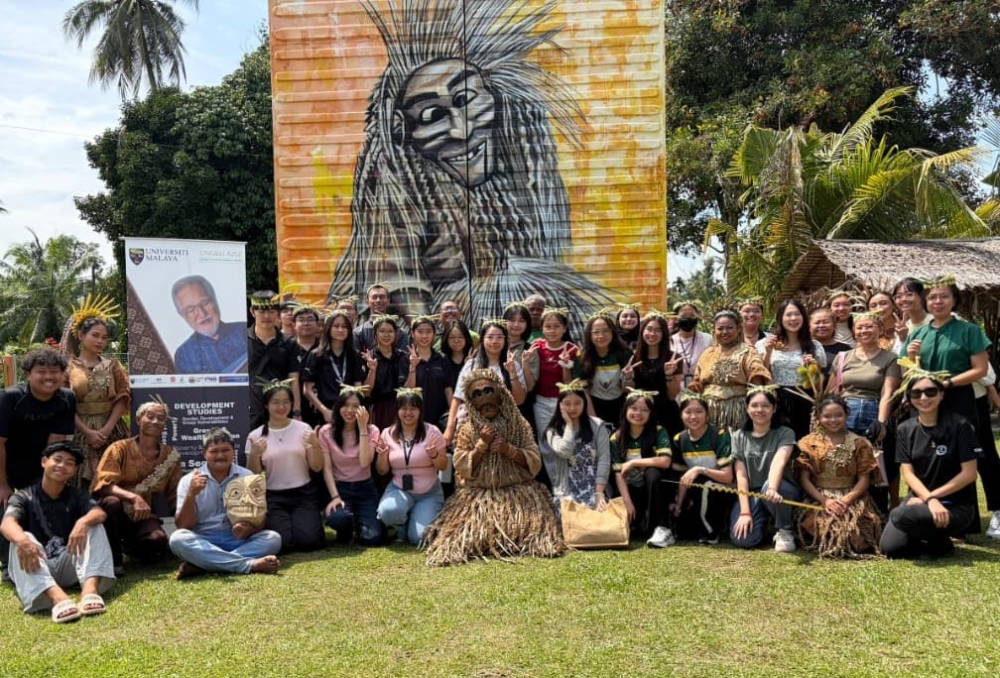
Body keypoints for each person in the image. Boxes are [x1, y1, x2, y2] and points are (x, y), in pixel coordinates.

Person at [423, 369, 564, 565]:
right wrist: (481, 445)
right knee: (467, 540)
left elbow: (534, 461)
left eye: (488, 391)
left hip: (518, 493)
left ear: (500, 393)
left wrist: (509, 450)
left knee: (531, 536)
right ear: (471, 402)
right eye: (477, 394)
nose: (484, 397)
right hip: (479, 496)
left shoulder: (519, 424)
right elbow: (461, 465)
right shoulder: (467, 429)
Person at [903, 276, 999, 534]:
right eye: (932, 297)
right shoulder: (919, 331)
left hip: (957, 398)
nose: (937, 301)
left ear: (954, 299)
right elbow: (909, 369)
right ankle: (925, 510)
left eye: (944, 296)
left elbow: (979, 369)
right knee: (928, 456)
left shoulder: (968, 330)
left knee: (963, 456)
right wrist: (912, 355)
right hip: (926, 400)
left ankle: (964, 519)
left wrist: (948, 384)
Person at [2, 442, 114, 622]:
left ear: (74, 470)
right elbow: (7, 524)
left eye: (69, 463)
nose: (62, 465)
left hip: (67, 562)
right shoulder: (24, 496)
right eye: (57, 460)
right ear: (44, 462)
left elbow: (99, 513)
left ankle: (89, 592)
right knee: (22, 537)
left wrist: (83, 522)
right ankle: (57, 598)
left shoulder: (77, 495)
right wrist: (22, 540)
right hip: (35, 565)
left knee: (94, 524)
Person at [879, 374, 979, 559]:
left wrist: (932, 498)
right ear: (910, 398)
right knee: (890, 548)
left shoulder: (960, 425)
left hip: (955, 505)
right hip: (919, 502)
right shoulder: (905, 429)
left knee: (900, 515)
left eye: (930, 391)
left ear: (941, 394)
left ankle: (938, 539)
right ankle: (936, 542)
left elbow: (970, 474)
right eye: (916, 394)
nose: (923, 398)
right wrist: (928, 499)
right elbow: (908, 474)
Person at [169, 428, 282, 577]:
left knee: (273, 538)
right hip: (204, 541)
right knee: (178, 539)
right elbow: (184, 525)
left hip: (238, 540)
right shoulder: (189, 481)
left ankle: (204, 565)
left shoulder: (246, 476)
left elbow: (261, 520)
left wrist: (249, 528)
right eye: (214, 451)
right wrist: (191, 494)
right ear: (204, 454)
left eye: (225, 450)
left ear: (233, 452)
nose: (220, 455)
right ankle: (248, 565)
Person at [91, 401, 181, 573]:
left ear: (164, 425)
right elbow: (103, 485)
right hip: (114, 514)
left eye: (161, 418)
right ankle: (114, 561)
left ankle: (131, 547)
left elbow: (175, 495)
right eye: (150, 416)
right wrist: (134, 497)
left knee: (157, 540)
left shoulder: (170, 456)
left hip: (142, 515)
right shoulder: (119, 449)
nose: (155, 421)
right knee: (111, 502)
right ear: (139, 420)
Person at [795, 395, 882, 558]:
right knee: (824, 528)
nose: (833, 420)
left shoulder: (860, 443)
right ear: (818, 417)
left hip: (851, 497)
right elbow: (804, 479)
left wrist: (845, 501)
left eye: (838, 415)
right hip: (820, 497)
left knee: (855, 536)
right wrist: (824, 501)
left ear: (847, 415)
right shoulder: (808, 443)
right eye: (827, 416)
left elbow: (864, 479)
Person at [834, 311, 902, 511]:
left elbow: (888, 391)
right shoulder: (843, 357)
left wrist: (880, 422)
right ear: (853, 331)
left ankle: (883, 509)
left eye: (869, 326)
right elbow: (834, 390)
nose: (864, 330)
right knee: (847, 462)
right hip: (845, 414)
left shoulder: (890, 358)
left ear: (880, 329)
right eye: (860, 327)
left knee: (878, 464)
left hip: (874, 410)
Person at [246, 382, 325, 552]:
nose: (281, 407)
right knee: (282, 543)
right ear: (266, 405)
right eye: (275, 402)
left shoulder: (304, 429)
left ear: (292, 404)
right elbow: (254, 474)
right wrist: (254, 454)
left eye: (286, 402)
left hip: (304, 493)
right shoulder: (255, 435)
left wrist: (315, 445)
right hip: (274, 496)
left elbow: (317, 467)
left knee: (309, 541)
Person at [60, 300, 130, 486]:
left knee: (114, 478)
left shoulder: (113, 365)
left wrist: (106, 430)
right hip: (79, 430)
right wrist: (88, 432)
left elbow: (122, 398)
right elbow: (66, 405)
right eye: (95, 335)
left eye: (104, 337)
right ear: (81, 336)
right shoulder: (67, 368)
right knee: (79, 480)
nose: (100, 341)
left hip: (112, 429)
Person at [0, 348, 76, 507]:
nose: (48, 377)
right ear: (29, 374)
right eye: (41, 372)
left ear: (62, 374)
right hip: (4, 465)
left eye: (54, 372)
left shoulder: (67, 399)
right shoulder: (9, 398)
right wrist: (2, 485)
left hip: (36, 467)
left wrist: (48, 483)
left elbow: (55, 444)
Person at [729, 386, 801, 552]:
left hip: (781, 490)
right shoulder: (738, 436)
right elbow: (741, 476)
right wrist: (745, 513)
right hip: (753, 493)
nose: (759, 410)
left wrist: (773, 489)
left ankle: (784, 529)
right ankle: (766, 528)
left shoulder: (785, 433)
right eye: (754, 405)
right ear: (747, 408)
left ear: (774, 408)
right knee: (743, 540)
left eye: (766, 406)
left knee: (769, 487)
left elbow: (779, 461)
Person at [375, 389, 448, 545]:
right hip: (399, 489)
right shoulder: (387, 433)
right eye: (404, 408)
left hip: (428, 493)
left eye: (413, 408)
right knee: (387, 512)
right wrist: (382, 455)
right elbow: (382, 470)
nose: (408, 412)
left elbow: (443, 466)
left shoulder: (432, 431)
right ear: (397, 410)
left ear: (420, 411)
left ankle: (417, 523)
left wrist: (434, 454)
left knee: (419, 539)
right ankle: (402, 528)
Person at [443, 321, 527, 444]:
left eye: (499, 337)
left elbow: (519, 400)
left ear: (505, 341)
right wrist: (449, 429)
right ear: (482, 340)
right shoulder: (471, 365)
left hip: (507, 426)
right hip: (474, 425)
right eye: (490, 337)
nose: (495, 341)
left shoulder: (513, 366)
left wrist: (512, 373)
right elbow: (458, 398)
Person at [319, 388, 384, 546]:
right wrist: (335, 497)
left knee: (373, 539)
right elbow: (326, 468)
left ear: (363, 409)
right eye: (345, 405)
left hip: (365, 489)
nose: (350, 410)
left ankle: (361, 524)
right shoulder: (326, 432)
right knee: (338, 518)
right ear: (338, 407)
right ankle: (348, 526)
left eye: (356, 406)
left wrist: (362, 428)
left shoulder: (372, 430)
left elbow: (364, 462)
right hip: (340, 488)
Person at [611, 390, 674, 547]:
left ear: (651, 413)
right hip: (630, 488)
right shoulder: (616, 438)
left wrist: (633, 463)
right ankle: (638, 521)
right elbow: (618, 472)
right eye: (634, 408)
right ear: (625, 409)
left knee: (653, 474)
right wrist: (627, 501)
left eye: (644, 410)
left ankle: (660, 528)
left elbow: (665, 461)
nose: (638, 413)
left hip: (652, 488)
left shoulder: (659, 431)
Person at [756, 299, 826, 439]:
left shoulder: (815, 346)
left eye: (797, 314)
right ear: (780, 318)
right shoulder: (764, 344)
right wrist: (768, 352)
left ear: (803, 317)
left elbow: (819, 386)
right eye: (788, 315)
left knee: (803, 445)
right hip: (776, 399)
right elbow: (760, 378)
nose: (793, 319)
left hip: (805, 401)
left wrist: (813, 369)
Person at [689, 310, 770, 431]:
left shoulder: (748, 352)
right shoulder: (707, 353)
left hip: (738, 411)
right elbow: (697, 383)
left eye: (729, 328)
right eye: (720, 328)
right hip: (709, 411)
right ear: (714, 330)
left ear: (738, 329)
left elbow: (757, 382)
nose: (724, 332)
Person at [540, 380, 611, 516]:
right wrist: (569, 426)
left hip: (595, 486)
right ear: (560, 405)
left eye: (577, 403)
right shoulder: (552, 431)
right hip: (567, 488)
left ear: (584, 403)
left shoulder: (597, 426)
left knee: (598, 520)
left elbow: (604, 460)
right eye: (567, 404)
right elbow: (565, 452)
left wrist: (599, 492)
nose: (572, 408)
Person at [670, 394, 733, 544]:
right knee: (684, 532)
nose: (693, 416)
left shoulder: (719, 435)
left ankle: (711, 531)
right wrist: (678, 504)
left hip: (723, 489)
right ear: (681, 414)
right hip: (696, 491)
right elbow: (683, 477)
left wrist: (700, 469)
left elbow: (728, 477)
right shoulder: (680, 439)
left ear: (707, 414)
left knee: (704, 482)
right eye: (688, 412)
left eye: (699, 411)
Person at [171, 275, 247, 374]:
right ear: (182, 315)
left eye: (205, 303)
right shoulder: (183, 355)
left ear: (214, 300)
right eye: (191, 310)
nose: (202, 314)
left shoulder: (246, 330)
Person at [247, 290, 301, 430]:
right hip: (250, 411)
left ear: (277, 313)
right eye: (262, 312)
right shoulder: (240, 340)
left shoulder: (289, 343)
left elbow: (293, 379)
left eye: (271, 311)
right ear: (253, 312)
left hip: (281, 411)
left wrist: (296, 412)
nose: (266, 316)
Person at [302, 310, 365, 424]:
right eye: (336, 326)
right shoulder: (316, 355)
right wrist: (324, 410)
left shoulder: (354, 355)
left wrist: (354, 409)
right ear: (328, 328)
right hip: (325, 411)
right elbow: (307, 390)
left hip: (349, 412)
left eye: (344, 326)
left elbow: (358, 386)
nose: (340, 330)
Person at [622, 312, 681, 433]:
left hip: (667, 416)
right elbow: (628, 392)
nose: (652, 334)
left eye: (657, 330)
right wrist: (627, 378)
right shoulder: (632, 357)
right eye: (649, 329)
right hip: (640, 416)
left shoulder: (673, 358)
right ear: (642, 331)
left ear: (664, 333)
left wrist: (669, 375)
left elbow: (673, 395)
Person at [573, 313, 633, 426]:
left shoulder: (624, 353)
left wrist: (628, 377)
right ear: (589, 335)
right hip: (594, 406)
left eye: (605, 331)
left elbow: (629, 390)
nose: (601, 336)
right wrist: (593, 417)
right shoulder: (582, 356)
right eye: (596, 332)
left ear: (613, 332)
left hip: (621, 406)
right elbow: (583, 390)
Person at [529, 307, 577, 439]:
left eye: (557, 326)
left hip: (563, 401)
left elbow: (569, 384)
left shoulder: (572, 349)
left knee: (565, 436)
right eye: (548, 326)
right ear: (542, 329)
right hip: (541, 401)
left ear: (565, 328)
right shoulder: (536, 346)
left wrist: (565, 365)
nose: (552, 331)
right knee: (545, 437)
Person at [361, 314, 410, 429]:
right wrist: (372, 370)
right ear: (375, 335)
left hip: (401, 408)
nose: (386, 335)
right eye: (382, 331)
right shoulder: (369, 357)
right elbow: (366, 392)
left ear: (396, 334)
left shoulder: (403, 357)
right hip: (377, 410)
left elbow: (408, 389)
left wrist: (412, 368)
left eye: (390, 331)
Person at [405, 316, 454, 430]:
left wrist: (453, 414)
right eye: (420, 332)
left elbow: (448, 389)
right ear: (412, 333)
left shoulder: (442, 358)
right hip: (414, 417)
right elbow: (407, 390)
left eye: (428, 332)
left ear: (434, 334)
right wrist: (412, 367)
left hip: (440, 417)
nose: (424, 336)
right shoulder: (404, 359)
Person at [289, 305, 322, 426]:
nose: (306, 323)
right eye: (301, 320)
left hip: (321, 406)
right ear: (293, 325)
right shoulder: (287, 348)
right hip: (294, 409)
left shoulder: (325, 348)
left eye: (310, 319)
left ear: (318, 325)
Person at [670, 302, 712, 390]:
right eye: (683, 316)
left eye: (692, 315)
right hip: (678, 389)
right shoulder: (670, 341)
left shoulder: (708, 339)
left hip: (702, 387)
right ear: (676, 318)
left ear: (698, 316)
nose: (688, 319)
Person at [809, 307, 852, 375]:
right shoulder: (803, 347)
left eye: (826, 322)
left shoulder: (846, 350)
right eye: (817, 323)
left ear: (834, 326)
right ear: (809, 327)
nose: (821, 325)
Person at [442, 320, 475, 390]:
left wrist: (468, 366)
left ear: (466, 338)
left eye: (460, 337)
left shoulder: (475, 359)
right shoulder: (441, 360)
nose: (456, 340)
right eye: (452, 337)